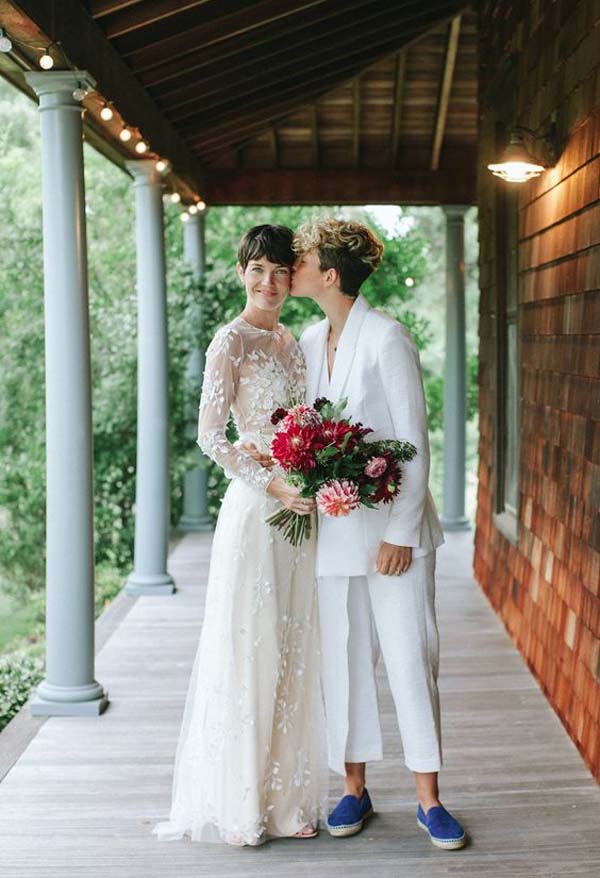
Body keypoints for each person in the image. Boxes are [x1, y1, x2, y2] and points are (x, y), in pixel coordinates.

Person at [289, 217, 466, 850]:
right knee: (344, 660)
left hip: (395, 538)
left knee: (410, 658)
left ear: (329, 275)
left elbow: (414, 445)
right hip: (335, 534)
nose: (294, 267)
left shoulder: (389, 338)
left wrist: (398, 532)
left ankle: (429, 800)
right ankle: (354, 788)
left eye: (303, 259)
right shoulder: (309, 340)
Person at [152, 225, 326, 847]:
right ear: (240, 272)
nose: (270, 282)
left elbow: (305, 421)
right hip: (256, 510)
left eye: (281, 271)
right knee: (251, 646)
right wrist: (274, 485)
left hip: (299, 514)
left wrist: (309, 477)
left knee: (292, 645)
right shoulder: (231, 340)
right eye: (258, 269)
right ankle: (241, 804)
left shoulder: (294, 343)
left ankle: (284, 803)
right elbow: (211, 436)